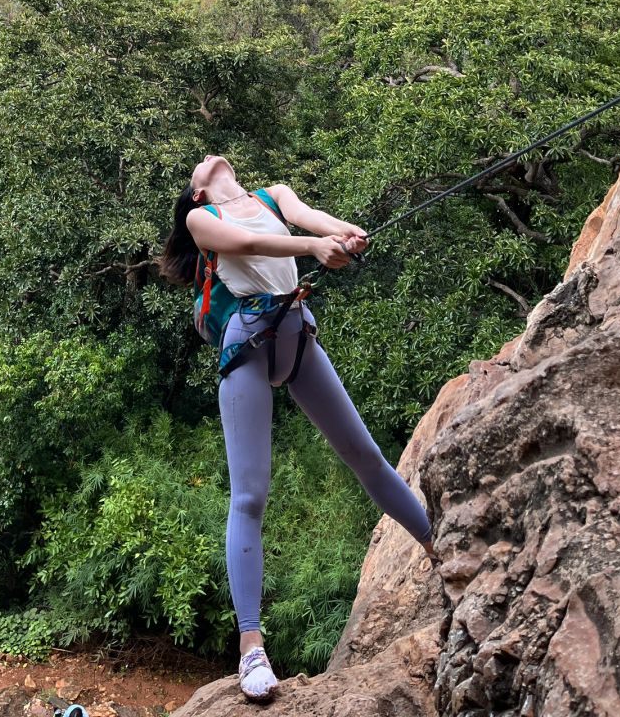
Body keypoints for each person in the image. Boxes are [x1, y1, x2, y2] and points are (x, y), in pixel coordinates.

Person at [160, 155, 435, 702]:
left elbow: (310, 217)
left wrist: (345, 235)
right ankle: (251, 649)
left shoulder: (272, 194)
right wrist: (312, 248)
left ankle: (441, 549)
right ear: (196, 193)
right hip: (249, 342)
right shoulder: (201, 219)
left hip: (296, 332)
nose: (212, 157)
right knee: (250, 496)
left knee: (367, 457)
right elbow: (246, 246)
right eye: (201, 165)